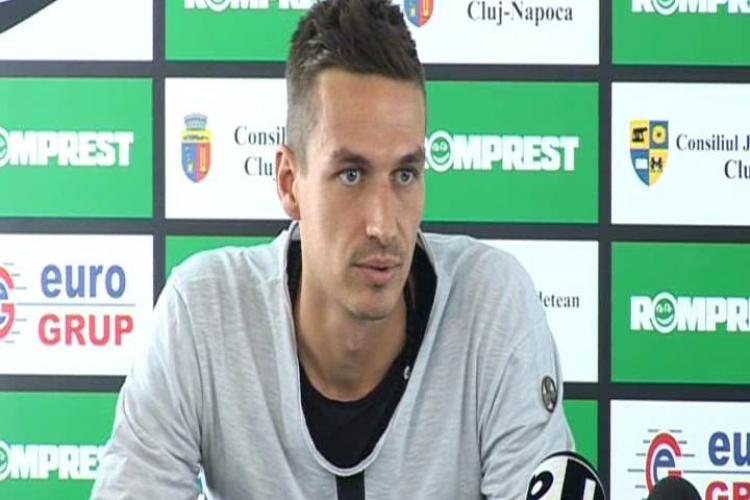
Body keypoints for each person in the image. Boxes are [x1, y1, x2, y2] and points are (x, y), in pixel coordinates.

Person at [91, 0, 573, 498]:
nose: (383, 225)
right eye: (351, 175)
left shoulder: (492, 306)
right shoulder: (203, 313)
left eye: (405, 174)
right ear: (289, 183)